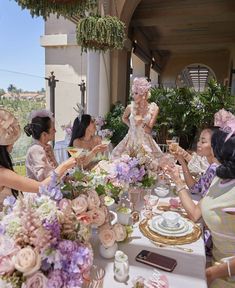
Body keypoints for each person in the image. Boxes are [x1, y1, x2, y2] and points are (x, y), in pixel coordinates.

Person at [167, 115, 235, 287]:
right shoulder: (219, 177)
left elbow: (195, 208)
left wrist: (213, 272)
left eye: (212, 144)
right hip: (215, 266)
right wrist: (177, 178)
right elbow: (196, 213)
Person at [0, 109, 77, 210]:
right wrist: (65, 166)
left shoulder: (45, 148)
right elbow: (41, 186)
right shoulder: (3, 173)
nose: (14, 144)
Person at [111, 77, 162, 160]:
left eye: (136, 93)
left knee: (149, 165)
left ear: (144, 94)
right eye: (133, 93)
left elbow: (149, 130)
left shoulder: (154, 108)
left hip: (145, 143)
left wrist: (141, 123)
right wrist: (131, 126)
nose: (133, 96)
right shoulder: (130, 107)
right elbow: (124, 118)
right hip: (130, 142)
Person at [169, 127, 219, 203]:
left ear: (215, 145)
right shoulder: (212, 166)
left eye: (203, 142)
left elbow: (197, 213)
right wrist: (182, 161)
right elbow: (195, 188)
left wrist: (177, 180)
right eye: (199, 140)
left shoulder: (215, 168)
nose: (198, 144)